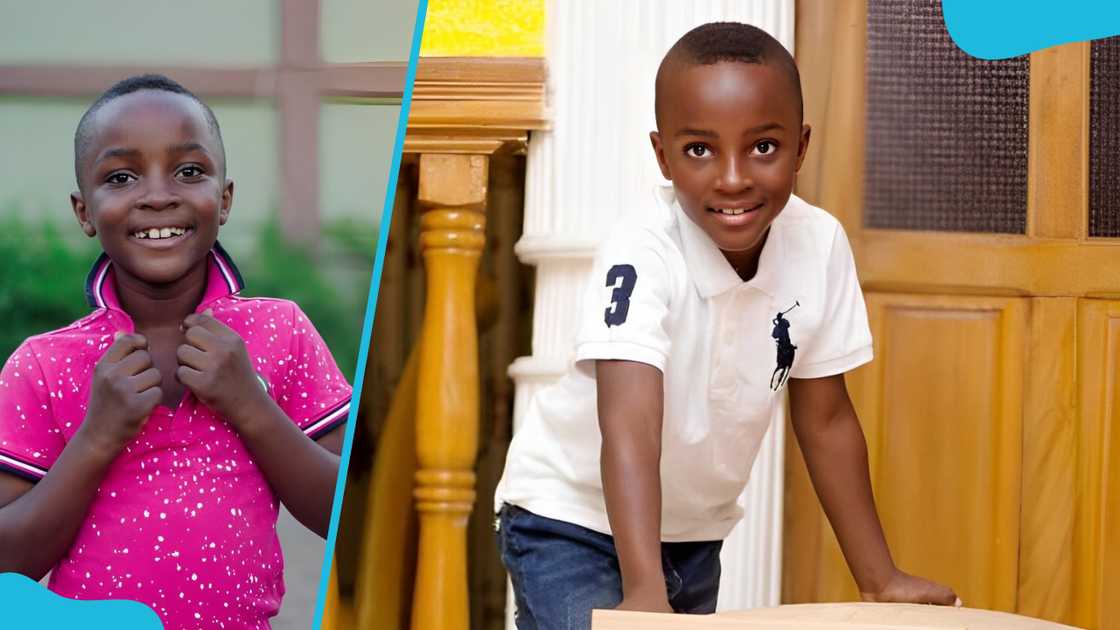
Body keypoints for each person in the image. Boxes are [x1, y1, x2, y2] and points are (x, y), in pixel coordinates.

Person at [494, 22, 958, 629]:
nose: (733, 177)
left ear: (801, 145)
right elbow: (630, 421)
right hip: (570, 520)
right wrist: (643, 595)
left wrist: (880, 579)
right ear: (663, 156)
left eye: (763, 147)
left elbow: (826, 418)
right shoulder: (642, 249)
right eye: (699, 150)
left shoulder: (818, 245)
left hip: (692, 534)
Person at [0, 74, 351, 628]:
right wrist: (98, 436)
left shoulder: (281, 330)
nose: (159, 195)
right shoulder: (43, 364)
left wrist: (250, 405)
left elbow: (349, 513)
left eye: (190, 171)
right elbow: (8, 560)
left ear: (225, 198)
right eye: (121, 177)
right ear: (84, 212)